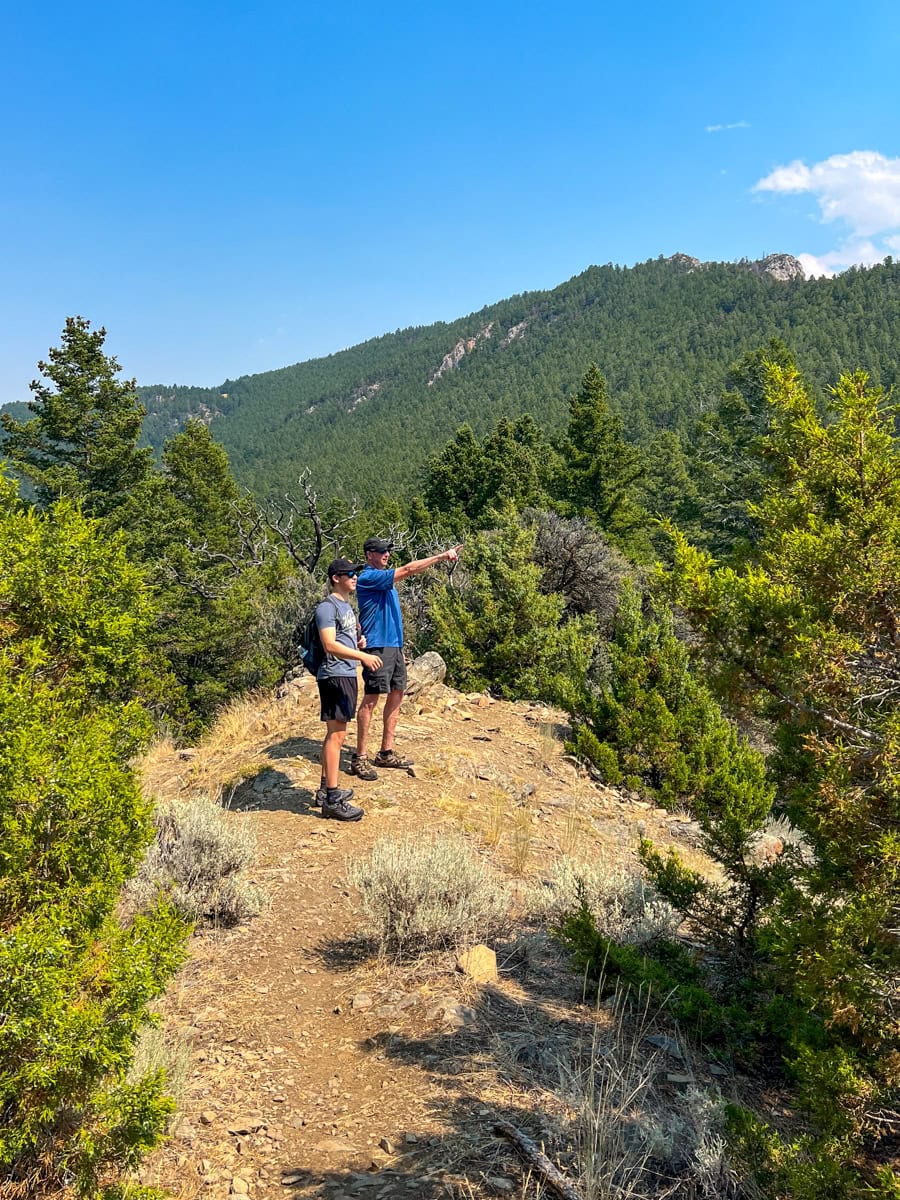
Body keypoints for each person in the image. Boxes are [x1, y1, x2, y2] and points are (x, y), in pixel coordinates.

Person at [351, 537, 462, 780]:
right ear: (369, 554)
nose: (386, 555)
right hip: (378, 646)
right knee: (371, 699)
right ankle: (359, 757)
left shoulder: (381, 578)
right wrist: (442, 556)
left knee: (397, 694)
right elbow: (409, 569)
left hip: (393, 645)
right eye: (381, 552)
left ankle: (385, 752)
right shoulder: (369, 577)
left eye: (387, 551)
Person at [314, 558, 384, 821]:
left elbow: (342, 639)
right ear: (336, 578)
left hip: (345, 673)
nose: (355, 577)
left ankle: (326, 788)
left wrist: (358, 641)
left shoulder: (345, 606)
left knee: (334, 733)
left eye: (355, 573)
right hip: (334, 675)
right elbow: (329, 645)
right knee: (337, 736)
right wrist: (361, 656)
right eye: (349, 574)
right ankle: (332, 798)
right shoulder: (327, 607)